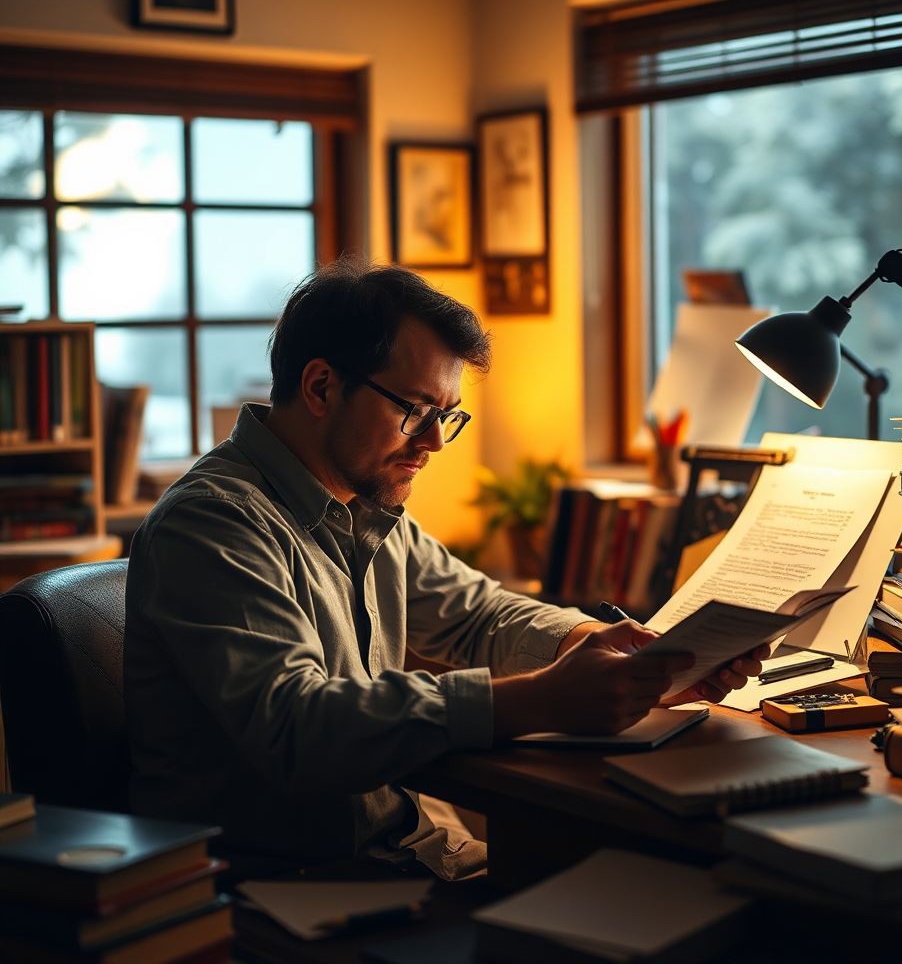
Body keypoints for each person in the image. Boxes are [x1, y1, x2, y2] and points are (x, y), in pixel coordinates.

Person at [124, 258, 767, 879]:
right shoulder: (214, 523)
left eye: (446, 416)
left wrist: (617, 653)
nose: (433, 441)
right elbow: (298, 728)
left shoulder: (363, 510)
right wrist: (542, 698)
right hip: (293, 888)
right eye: (415, 409)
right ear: (321, 387)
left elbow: (480, 615)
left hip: (412, 855)